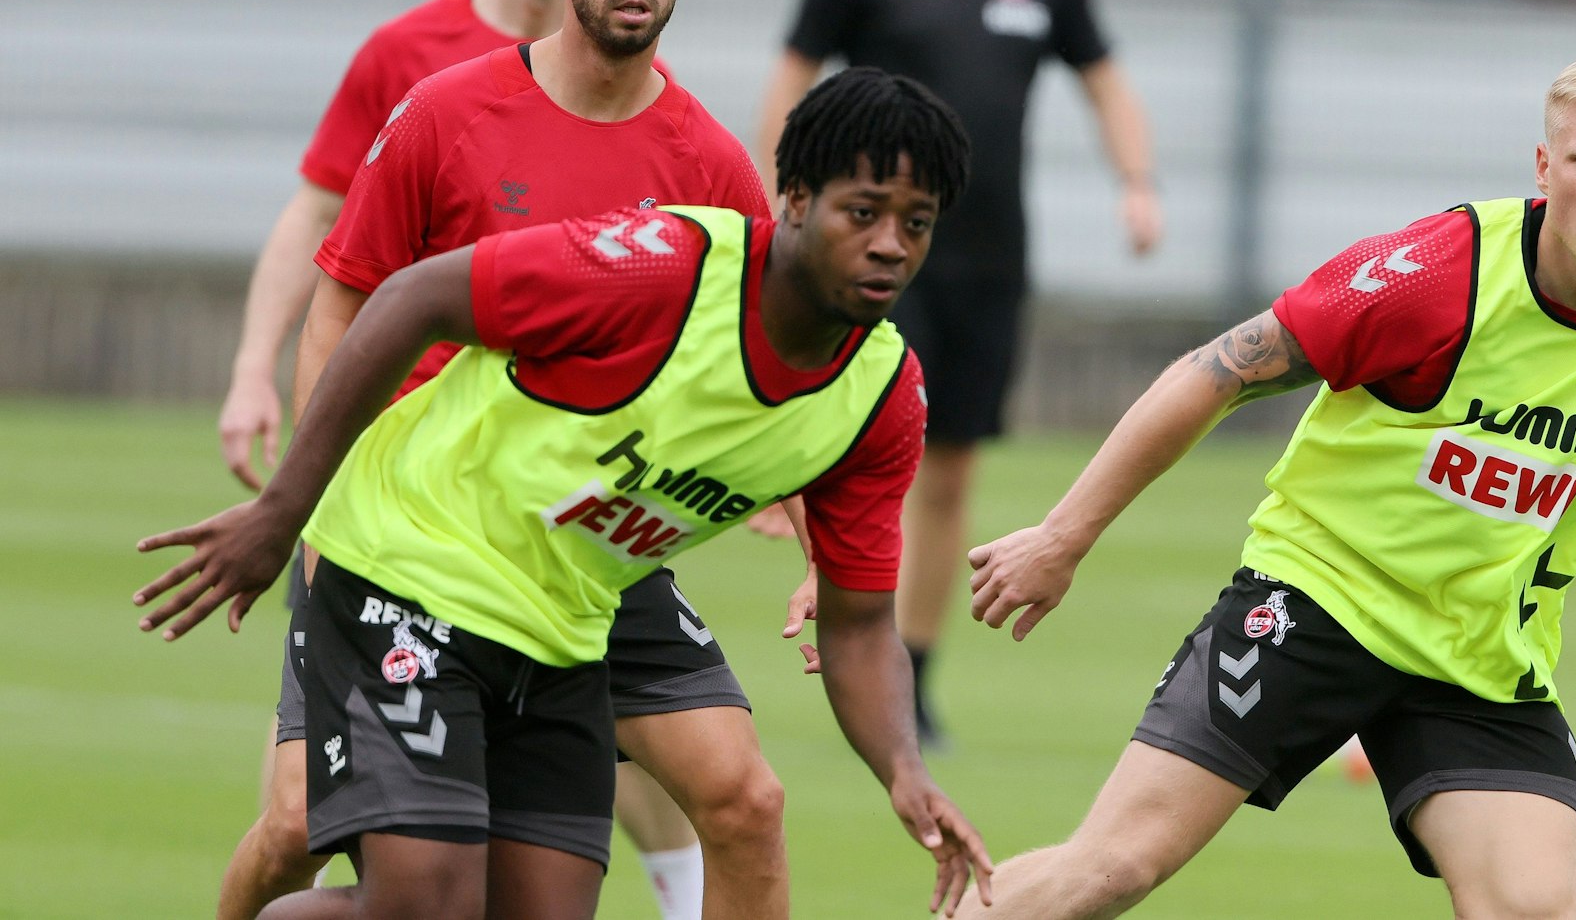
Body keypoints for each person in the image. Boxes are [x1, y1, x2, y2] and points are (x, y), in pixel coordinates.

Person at [955, 51, 1576, 918]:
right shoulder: (1431, 279)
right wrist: (1064, 535)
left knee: (1532, 909)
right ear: (1544, 168)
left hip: (1478, 652)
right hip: (1316, 602)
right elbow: (1212, 374)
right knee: (1106, 872)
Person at [133, 65, 993, 919]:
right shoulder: (661, 266)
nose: (891, 243)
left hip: (564, 624)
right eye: (864, 212)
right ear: (797, 198)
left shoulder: (884, 397)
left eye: (916, 223)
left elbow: (858, 621)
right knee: (426, 904)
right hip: (408, 563)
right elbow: (412, 295)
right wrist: (283, 512)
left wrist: (905, 774)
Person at [217, 0, 768, 920]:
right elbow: (342, 299)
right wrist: (315, 507)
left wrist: (798, 509)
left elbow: (754, 354)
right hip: (412, 532)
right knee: (304, 834)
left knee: (743, 794)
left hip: (577, 541)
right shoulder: (443, 107)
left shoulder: (707, 163)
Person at [755, 0, 1160, 747]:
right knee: (863, 455)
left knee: (950, 469)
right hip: (871, 263)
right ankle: (841, 627)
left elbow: (1105, 77)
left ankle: (915, 666)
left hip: (987, 258)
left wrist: (1137, 183)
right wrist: (770, 194)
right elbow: (792, 72)